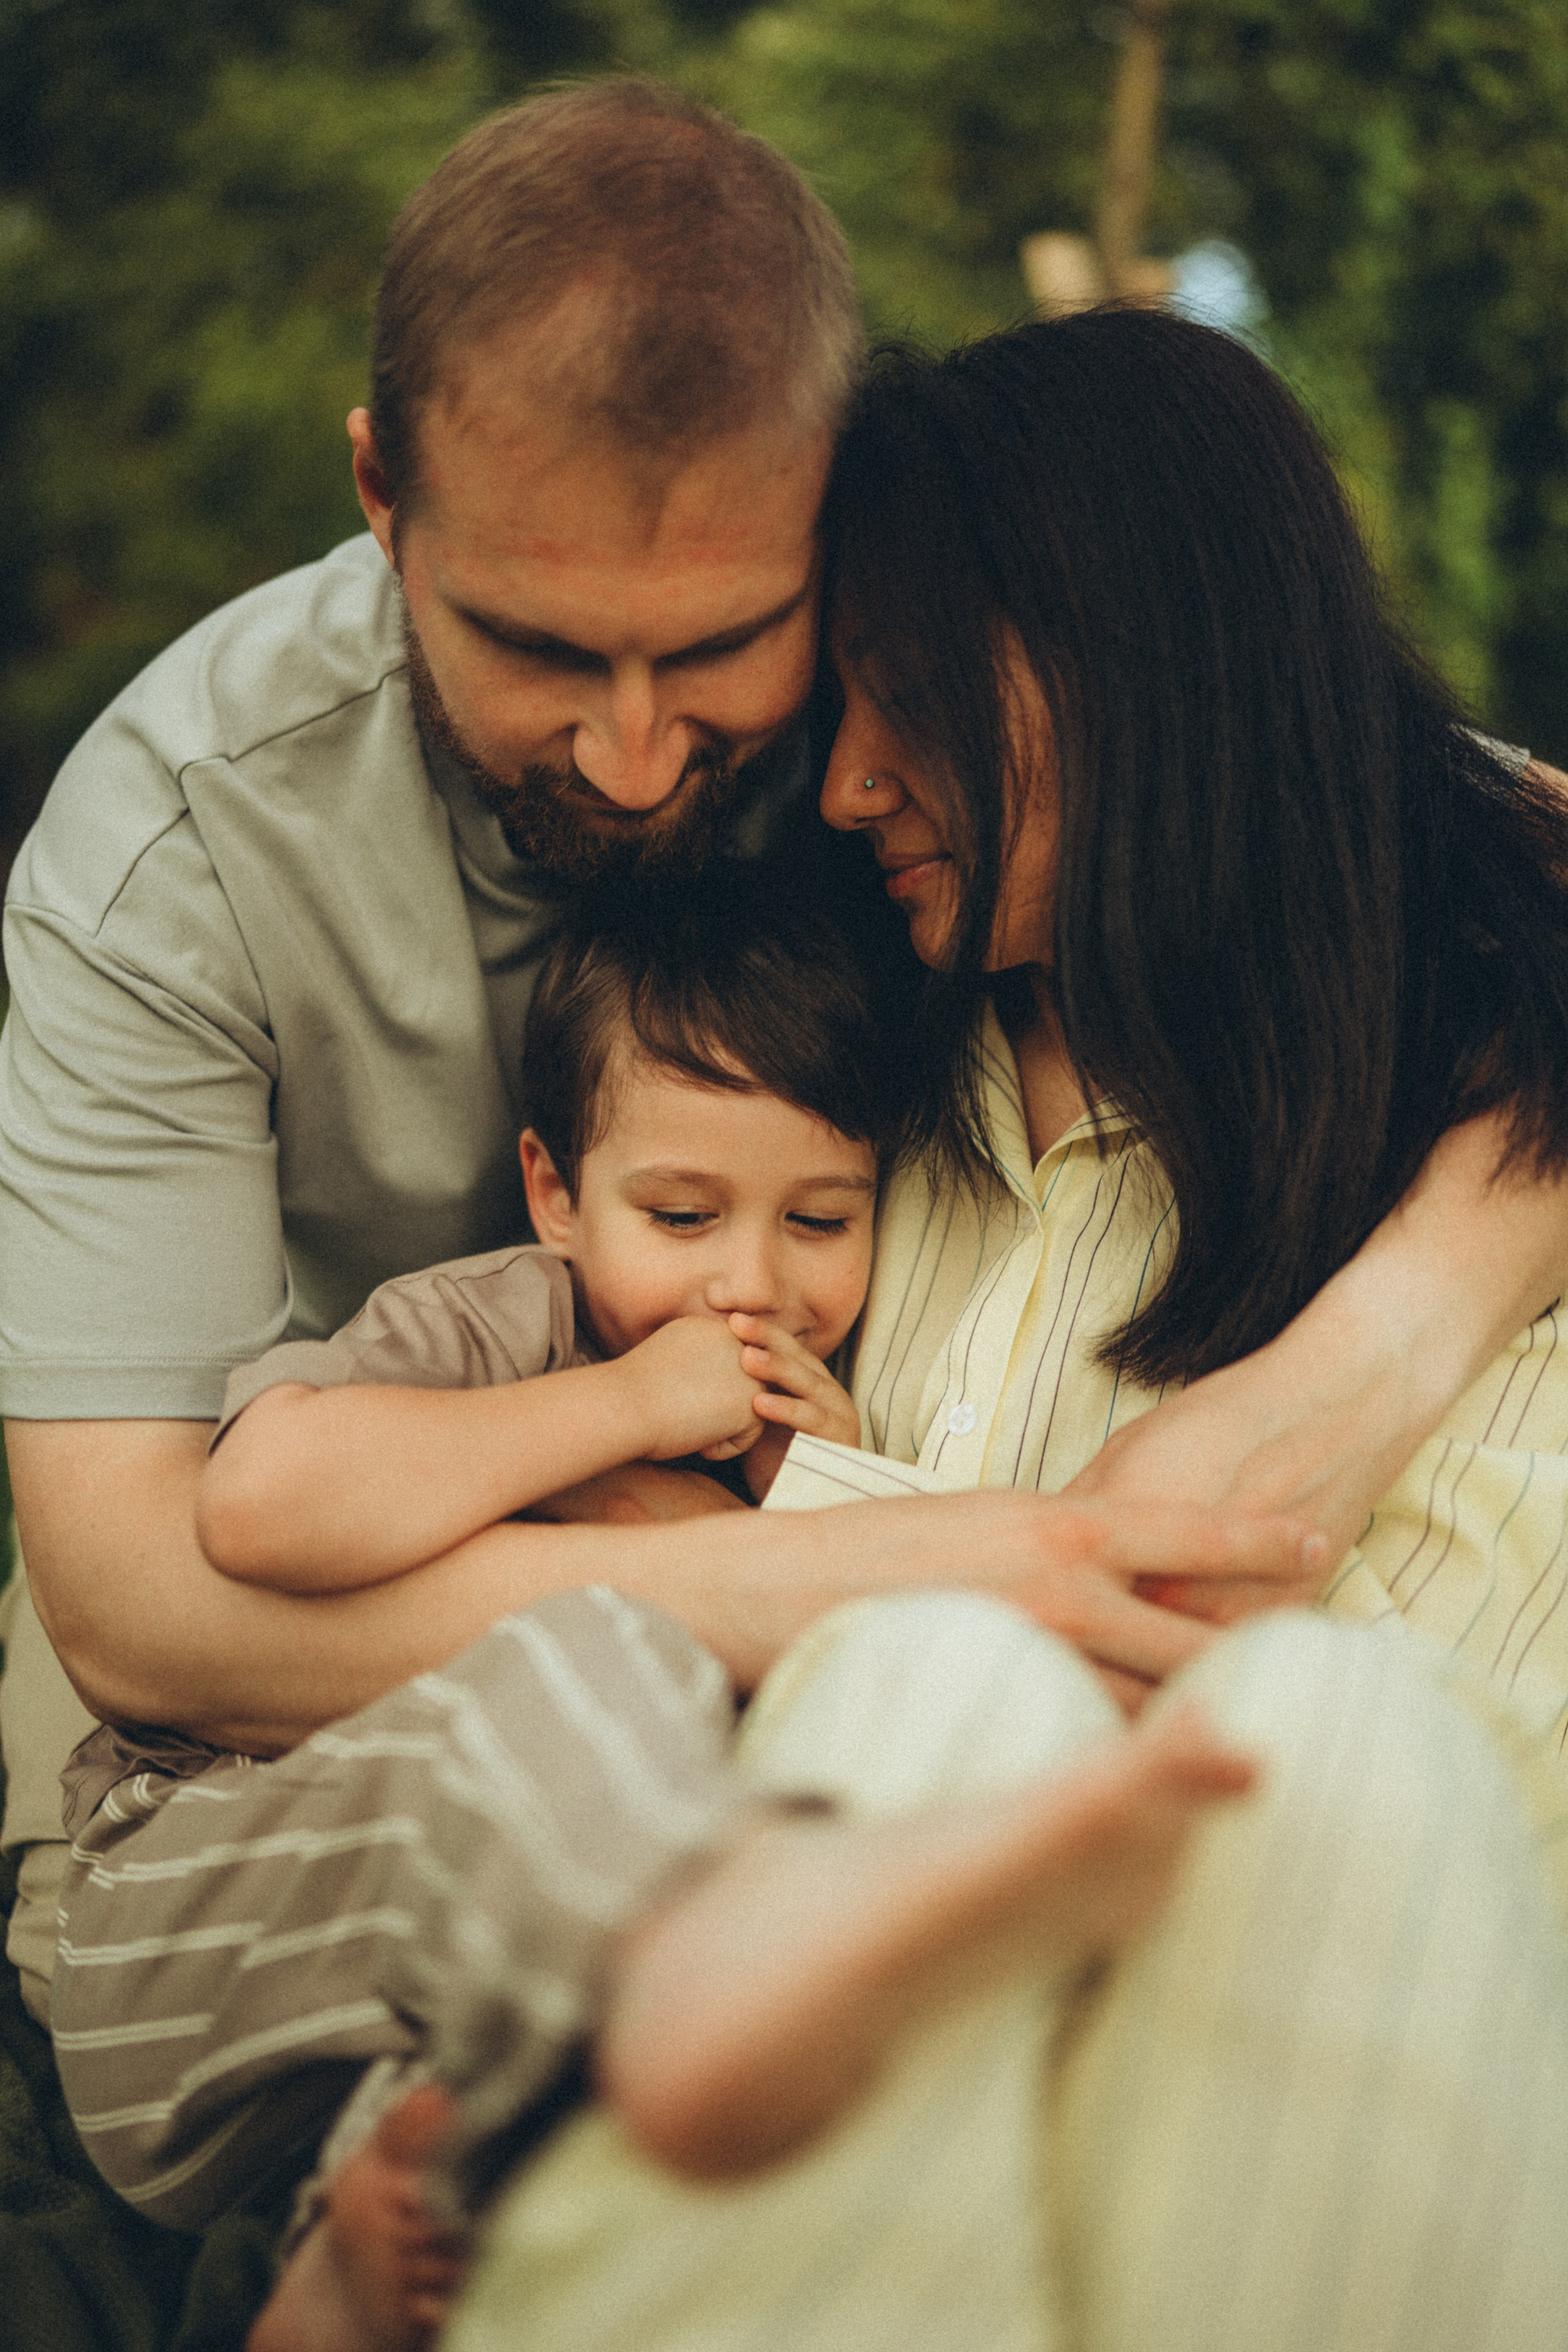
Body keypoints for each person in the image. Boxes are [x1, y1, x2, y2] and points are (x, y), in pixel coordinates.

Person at [2, 70, 1566, 2294]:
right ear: (382, 498)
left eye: (723, 653)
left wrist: (1477, 1233)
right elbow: (155, 1601)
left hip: (801, 1736)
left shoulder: (939, 800)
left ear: (819, 524)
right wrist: (892, 1561)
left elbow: (1289, 727)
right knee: (914, 1712)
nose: (651, 759)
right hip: (297, 1724)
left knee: (1275, 1757)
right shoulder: (171, 859)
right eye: (541, 649)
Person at [429, 309, 1568, 2352]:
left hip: (1364, 2055)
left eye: (909, 689)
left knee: (1329, 1740)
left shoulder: (1490, 1102)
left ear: (1148, 652)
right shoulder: (845, 1105)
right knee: (947, 1683)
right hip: (898, 2133)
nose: (851, 777)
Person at [53, 882, 1256, 2352]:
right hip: (178, 1954)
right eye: (679, 1215)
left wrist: (811, 1488)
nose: (749, 1284)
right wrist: (628, 1401)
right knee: (594, 1652)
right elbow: (259, 1506)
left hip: (431, 2011)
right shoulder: (505, 1325)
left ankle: (325, 2274)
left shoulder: (821, 1423)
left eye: (821, 1219)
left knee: (656, 1819)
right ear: (556, 1193)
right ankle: (718, 1947)